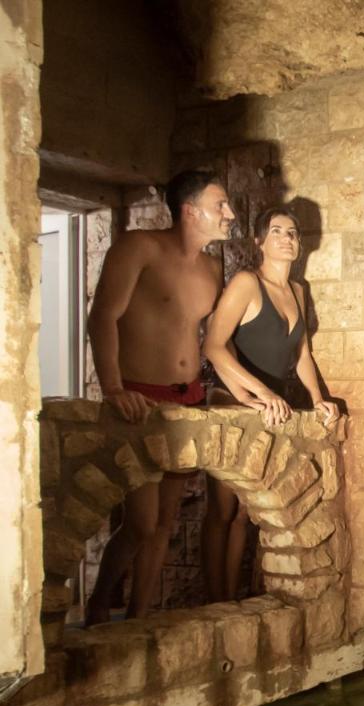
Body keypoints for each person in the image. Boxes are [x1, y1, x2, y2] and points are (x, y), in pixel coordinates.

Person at [85, 170, 236, 625]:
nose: (229, 214)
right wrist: (113, 387)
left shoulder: (213, 267)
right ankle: (97, 606)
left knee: (165, 521)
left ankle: (139, 616)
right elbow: (102, 318)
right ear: (191, 210)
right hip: (140, 398)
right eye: (220, 205)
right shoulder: (140, 247)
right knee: (142, 522)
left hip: (188, 398)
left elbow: (210, 340)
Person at [201, 206, 339, 603]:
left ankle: (234, 599)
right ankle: (215, 600)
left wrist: (318, 398)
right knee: (224, 509)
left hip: (268, 404)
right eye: (276, 231)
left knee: (249, 511)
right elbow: (213, 346)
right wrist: (260, 393)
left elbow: (302, 355)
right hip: (233, 399)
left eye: (293, 232)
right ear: (259, 241)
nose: (287, 238)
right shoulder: (247, 282)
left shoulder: (299, 290)